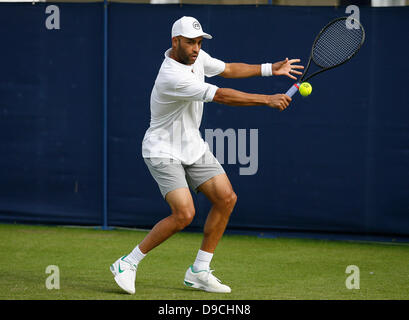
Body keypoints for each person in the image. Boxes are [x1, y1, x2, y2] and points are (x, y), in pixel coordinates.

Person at [110, 16, 303, 294]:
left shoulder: (197, 59)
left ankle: (199, 270)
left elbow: (227, 69)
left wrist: (269, 69)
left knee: (226, 198)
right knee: (184, 213)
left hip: (192, 145)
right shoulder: (172, 76)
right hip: (162, 149)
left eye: (199, 42)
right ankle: (127, 263)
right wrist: (267, 99)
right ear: (175, 41)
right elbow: (223, 95)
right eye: (190, 42)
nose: (196, 48)